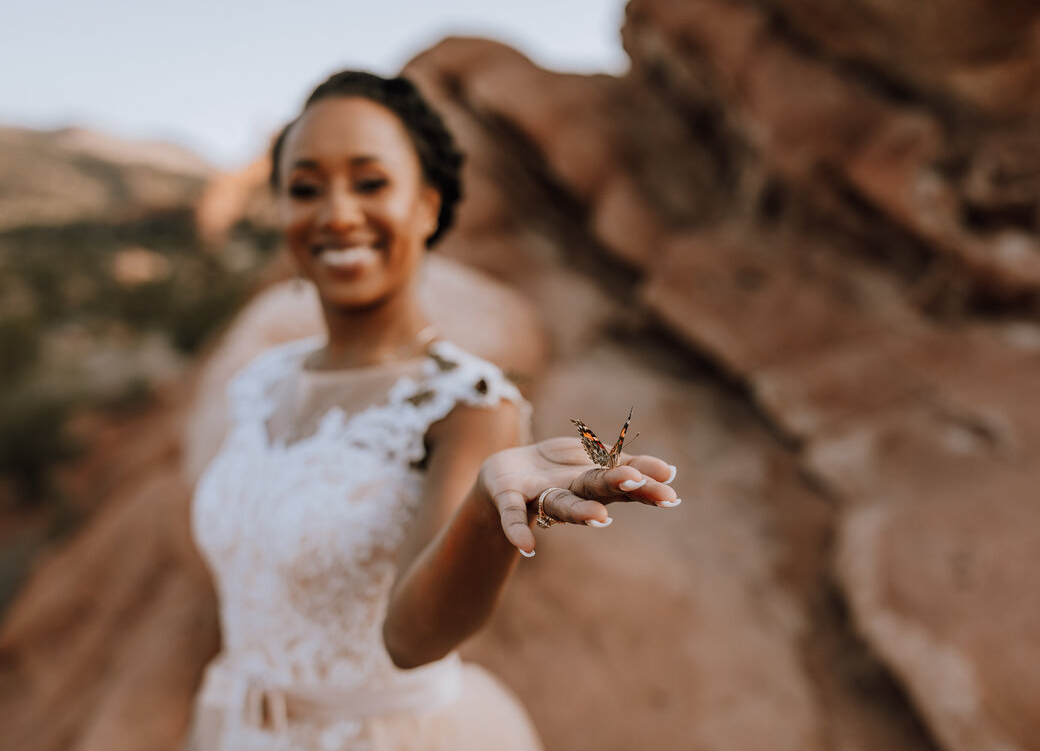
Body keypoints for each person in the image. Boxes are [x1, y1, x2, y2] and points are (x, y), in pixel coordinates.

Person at [185, 70, 680, 751]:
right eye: (305, 187)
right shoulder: (261, 382)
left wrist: (487, 508)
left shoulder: (466, 403)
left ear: (427, 203)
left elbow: (412, 636)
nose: (336, 212)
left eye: (369, 182)